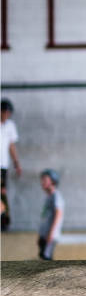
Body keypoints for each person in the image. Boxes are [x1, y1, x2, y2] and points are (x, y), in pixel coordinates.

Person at [1, 98, 22, 230]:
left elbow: (11, 146)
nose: (7, 115)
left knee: (2, 191)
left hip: (3, 165)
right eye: (5, 112)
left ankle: (4, 220)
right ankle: (5, 220)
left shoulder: (10, 126)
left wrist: (16, 163)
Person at [38, 169, 64, 260]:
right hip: (45, 234)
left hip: (50, 235)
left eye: (45, 180)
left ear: (53, 181)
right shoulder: (49, 196)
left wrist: (51, 233)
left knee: (47, 259)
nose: (42, 182)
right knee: (43, 257)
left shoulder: (56, 196)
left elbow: (58, 214)